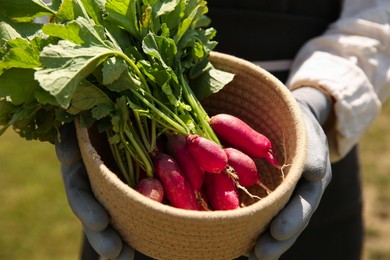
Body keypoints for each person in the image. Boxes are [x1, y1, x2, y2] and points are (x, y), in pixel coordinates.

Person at [55, 0, 390, 259]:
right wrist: (80, 131)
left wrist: (317, 99)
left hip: (311, 150)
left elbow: (377, 15)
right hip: (132, 211)